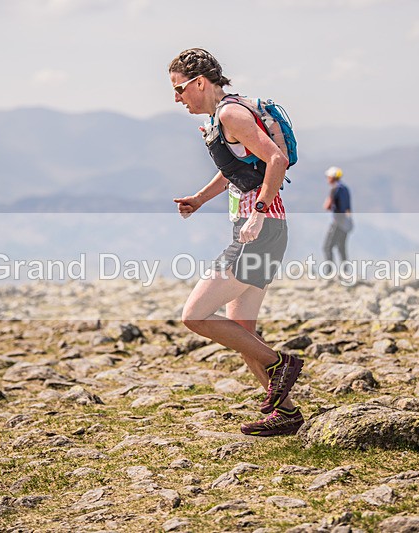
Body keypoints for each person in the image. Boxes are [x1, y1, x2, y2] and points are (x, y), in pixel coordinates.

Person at [169, 48, 304, 437]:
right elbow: (237, 171)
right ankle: (286, 414)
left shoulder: (230, 113)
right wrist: (198, 198)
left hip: (259, 227)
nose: (177, 99)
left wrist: (259, 211)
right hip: (258, 227)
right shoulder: (220, 117)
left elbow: (275, 159)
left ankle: (281, 364)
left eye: (180, 89)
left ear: (199, 82)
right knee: (241, 329)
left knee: (194, 316)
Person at [322, 166, 353, 273]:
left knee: (327, 247)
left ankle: (329, 272)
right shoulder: (345, 188)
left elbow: (327, 205)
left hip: (337, 222)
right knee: (341, 248)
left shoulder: (335, 189)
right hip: (346, 222)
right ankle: (345, 271)